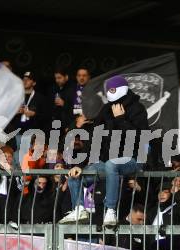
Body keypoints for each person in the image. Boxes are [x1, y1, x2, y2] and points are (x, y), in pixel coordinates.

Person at [59, 75, 148, 227]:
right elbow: (94, 139)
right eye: (108, 90)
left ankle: (111, 211)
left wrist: (121, 119)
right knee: (74, 173)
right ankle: (79, 208)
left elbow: (141, 137)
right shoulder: (105, 110)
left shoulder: (137, 109)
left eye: (112, 89)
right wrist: (80, 165)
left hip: (133, 159)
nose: (109, 93)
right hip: (107, 161)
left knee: (111, 165)